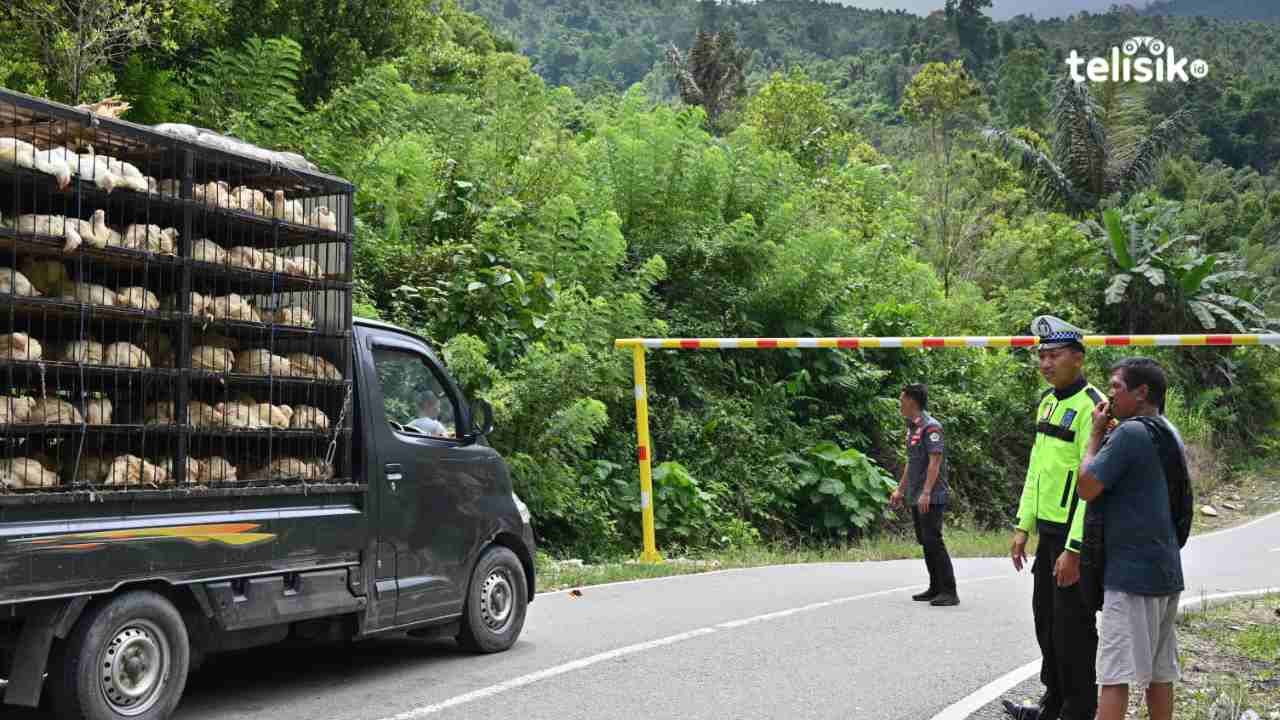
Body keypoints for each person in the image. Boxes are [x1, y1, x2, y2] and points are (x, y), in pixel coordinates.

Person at [1003, 316, 1105, 720]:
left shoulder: (1092, 407)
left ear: (1077, 359)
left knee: (1073, 631)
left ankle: (1079, 709)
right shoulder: (1047, 403)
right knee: (1045, 622)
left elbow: (1091, 487)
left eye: (1055, 355)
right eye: (1041, 356)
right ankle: (1053, 703)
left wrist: (1074, 548)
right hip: (1046, 532)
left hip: (1072, 537)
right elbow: (1036, 469)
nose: (1046, 363)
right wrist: (1021, 525)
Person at [1077, 358, 1185, 720]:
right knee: (1159, 675)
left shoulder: (1129, 433)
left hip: (1130, 576)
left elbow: (1087, 486)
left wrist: (1094, 437)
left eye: (1116, 387)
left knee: (1114, 675)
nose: (1110, 394)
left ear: (1142, 393)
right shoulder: (1168, 431)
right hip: (1165, 571)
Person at [890, 384, 958, 606]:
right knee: (925, 541)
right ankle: (935, 587)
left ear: (912, 401)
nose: (900, 404)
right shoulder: (913, 428)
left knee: (933, 540)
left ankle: (949, 591)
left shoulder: (932, 427)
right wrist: (900, 490)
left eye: (902, 399)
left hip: (931, 494)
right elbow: (912, 461)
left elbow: (935, 462)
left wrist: (927, 492)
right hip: (916, 493)